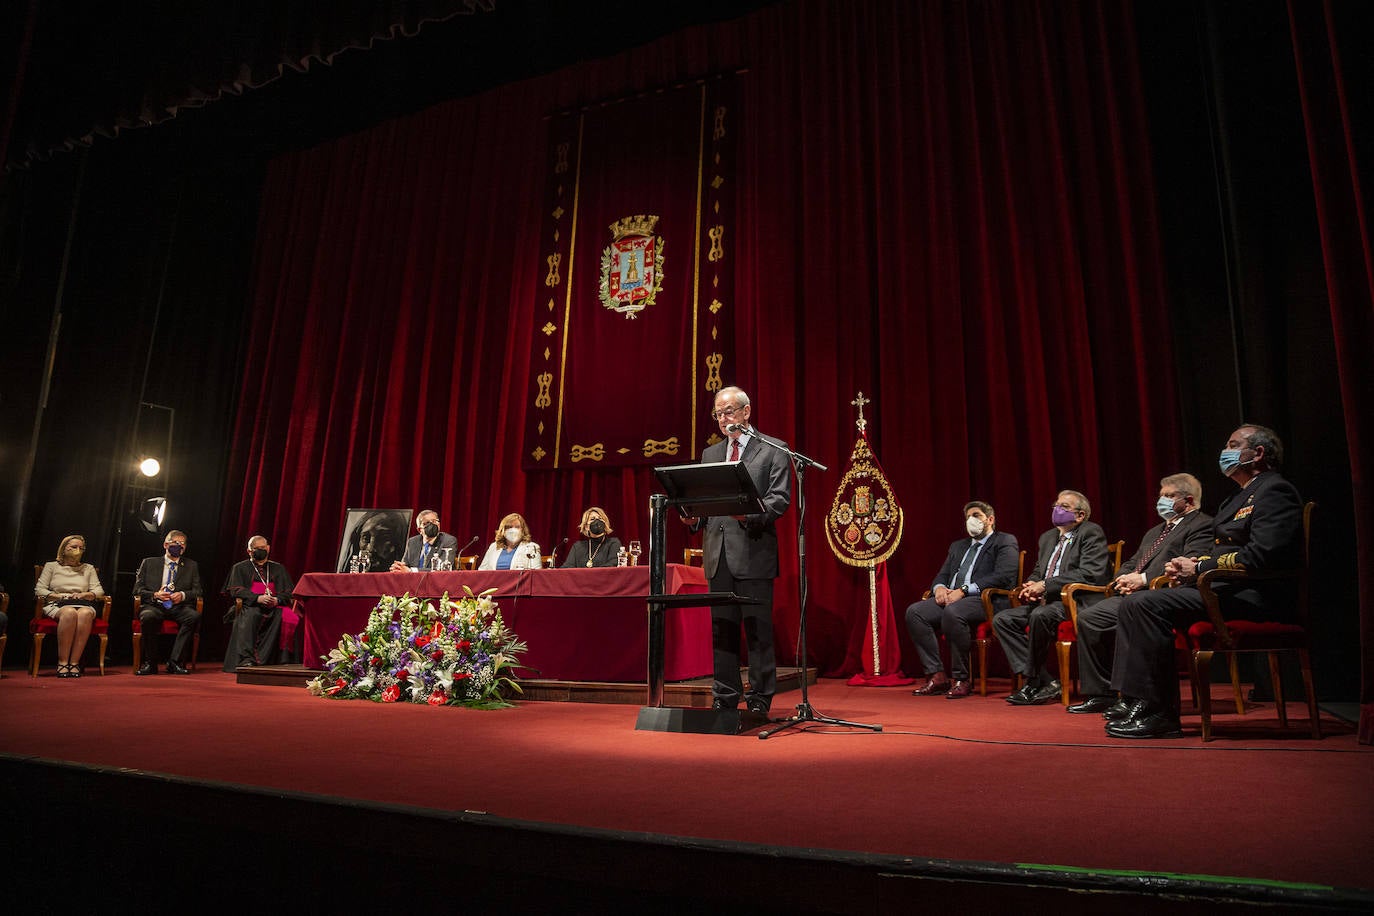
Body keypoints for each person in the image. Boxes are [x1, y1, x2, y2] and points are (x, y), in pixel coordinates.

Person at [1106, 424, 1304, 738]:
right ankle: (1136, 700)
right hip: (1224, 588)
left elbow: (1263, 556)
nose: (1225, 451)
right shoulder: (1236, 498)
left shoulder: (1274, 490)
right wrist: (1187, 567)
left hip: (1255, 595)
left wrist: (1199, 567)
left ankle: (1159, 713)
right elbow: (1221, 551)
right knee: (1134, 603)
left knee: (1144, 603)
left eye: (1233, 445)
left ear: (1258, 453)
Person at [683, 386, 792, 715]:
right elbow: (705, 501)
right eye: (718, 413)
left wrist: (750, 515)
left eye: (728, 411)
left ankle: (759, 698)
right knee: (722, 631)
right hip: (718, 555)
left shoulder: (773, 449)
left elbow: (779, 499)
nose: (723, 418)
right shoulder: (711, 454)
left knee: (758, 631)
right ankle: (725, 696)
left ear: (746, 412)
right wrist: (693, 517)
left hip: (753, 552)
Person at [1066, 474, 1214, 714]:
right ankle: (1101, 693)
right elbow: (1133, 561)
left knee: (1129, 612)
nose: (1161, 501)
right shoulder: (1155, 531)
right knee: (1089, 617)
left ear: (1188, 500)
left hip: (1166, 594)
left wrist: (1143, 579)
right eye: (1161, 495)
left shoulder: (1201, 524)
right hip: (1135, 593)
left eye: (1169, 496)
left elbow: (1188, 562)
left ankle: (1131, 696)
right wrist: (1123, 579)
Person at [995, 489, 1109, 706]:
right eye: (1056, 505)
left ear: (1080, 515)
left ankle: (1033, 682)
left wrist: (1045, 585)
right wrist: (1031, 584)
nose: (1057, 510)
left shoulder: (1090, 532)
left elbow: (1090, 573)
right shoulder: (1048, 537)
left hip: (1076, 600)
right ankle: (1045, 680)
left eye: (1064, 507)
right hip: (1048, 600)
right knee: (1003, 619)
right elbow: (1040, 571)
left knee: (1040, 615)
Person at [905, 501, 1020, 698]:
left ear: (990, 519)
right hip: (953, 598)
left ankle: (961, 678)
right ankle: (937, 676)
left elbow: (1004, 575)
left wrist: (964, 590)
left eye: (976, 516)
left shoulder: (1004, 541)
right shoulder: (958, 546)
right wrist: (939, 588)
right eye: (968, 517)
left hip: (985, 600)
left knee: (954, 612)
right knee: (915, 612)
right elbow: (943, 574)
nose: (971, 521)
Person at [34, 535, 106, 678]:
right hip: (58, 603)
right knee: (69, 613)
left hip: (82, 603)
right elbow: (39, 590)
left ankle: (74, 662)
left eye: (81, 548)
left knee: (85, 614)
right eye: (74, 547)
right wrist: (60, 596)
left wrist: (86, 594)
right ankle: (62, 662)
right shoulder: (51, 566)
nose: (77, 550)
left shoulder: (88, 568)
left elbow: (99, 591)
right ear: (63, 548)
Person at [134, 530, 203, 675]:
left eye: (182, 544)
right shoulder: (149, 563)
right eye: (176, 543)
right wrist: (155, 595)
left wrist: (182, 595)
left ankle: (174, 662)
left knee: (193, 616)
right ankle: (150, 663)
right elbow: (137, 590)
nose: (179, 546)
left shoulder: (191, 565)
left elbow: (198, 591)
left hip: (178, 606)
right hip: (155, 605)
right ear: (166, 545)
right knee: (148, 616)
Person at [222, 535, 295, 670]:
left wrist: (277, 600)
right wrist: (257, 598)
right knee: (251, 614)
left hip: (274, 605)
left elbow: (289, 592)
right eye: (257, 548)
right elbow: (236, 590)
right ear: (249, 551)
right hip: (250, 605)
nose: (261, 550)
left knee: (288, 616)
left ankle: (281, 660)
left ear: (268, 548)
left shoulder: (278, 568)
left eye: (263, 547)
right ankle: (247, 659)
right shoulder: (239, 568)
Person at [391, 509, 459, 571]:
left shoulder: (448, 541)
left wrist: (411, 571)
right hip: (413, 579)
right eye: (427, 523)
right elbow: (405, 565)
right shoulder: (412, 542)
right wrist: (399, 567)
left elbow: (442, 569)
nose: (431, 525)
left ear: (439, 524)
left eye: (434, 521)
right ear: (419, 530)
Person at [478, 513, 543, 570]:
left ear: (523, 530)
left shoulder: (532, 547)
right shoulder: (493, 547)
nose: (513, 530)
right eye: (509, 527)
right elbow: (482, 570)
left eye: (517, 527)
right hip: (494, 580)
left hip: (519, 581)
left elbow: (536, 574)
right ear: (503, 530)